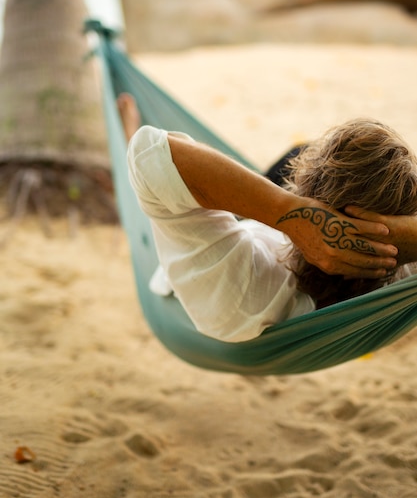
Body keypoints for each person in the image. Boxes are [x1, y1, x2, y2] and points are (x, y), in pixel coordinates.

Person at [117, 93, 417, 342]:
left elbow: (148, 154)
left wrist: (288, 211)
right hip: (275, 236)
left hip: (237, 238)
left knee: (297, 154)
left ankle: (125, 132)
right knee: (299, 151)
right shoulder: (401, 276)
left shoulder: (244, 286)